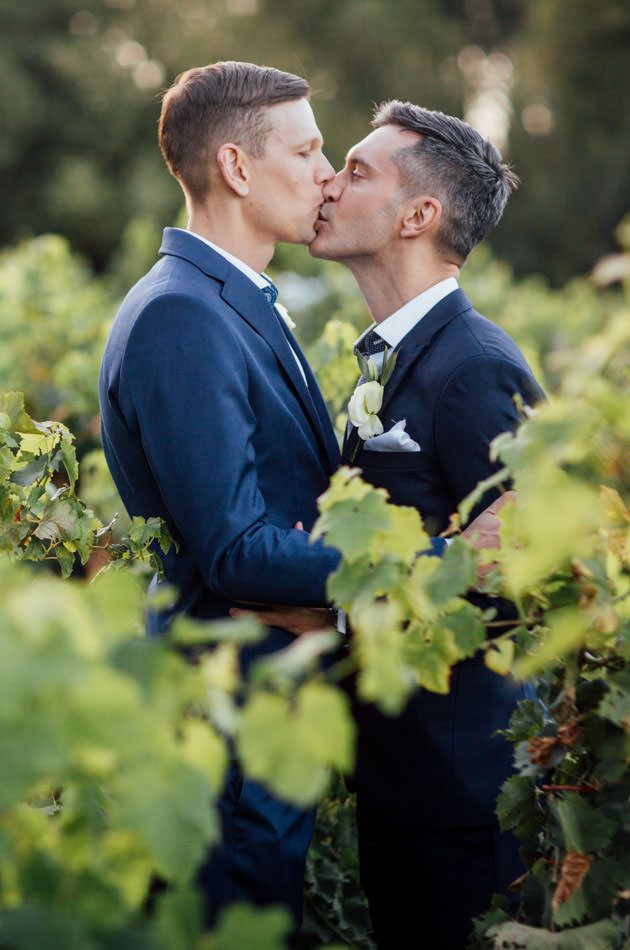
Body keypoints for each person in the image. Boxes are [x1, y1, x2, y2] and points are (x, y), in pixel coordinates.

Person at [97, 65, 504, 930]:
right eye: (310, 150)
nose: (325, 174)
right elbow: (237, 548)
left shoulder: (234, 302)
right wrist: (442, 563)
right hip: (230, 722)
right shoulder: (183, 314)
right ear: (239, 169)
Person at [279, 100, 542, 947]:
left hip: (463, 793)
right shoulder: (395, 356)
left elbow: (527, 565)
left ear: (417, 216)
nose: (327, 180)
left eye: (356, 171)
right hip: (403, 775)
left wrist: (338, 609)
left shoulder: (473, 368)